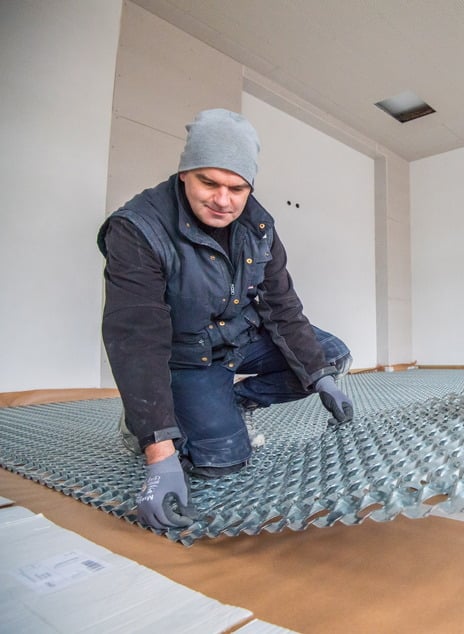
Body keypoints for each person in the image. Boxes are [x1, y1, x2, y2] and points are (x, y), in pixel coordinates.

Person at [98, 109, 355, 530]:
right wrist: (158, 450)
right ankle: (142, 424)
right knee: (221, 463)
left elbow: (282, 307)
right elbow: (137, 341)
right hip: (189, 358)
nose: (223, 200)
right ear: (185, 173)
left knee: (331, 356)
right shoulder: (138, 229)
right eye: (209, 183)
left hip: (242, 336)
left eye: (237, 188)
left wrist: (319, 377)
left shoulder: (257, 224)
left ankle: (233, 404)